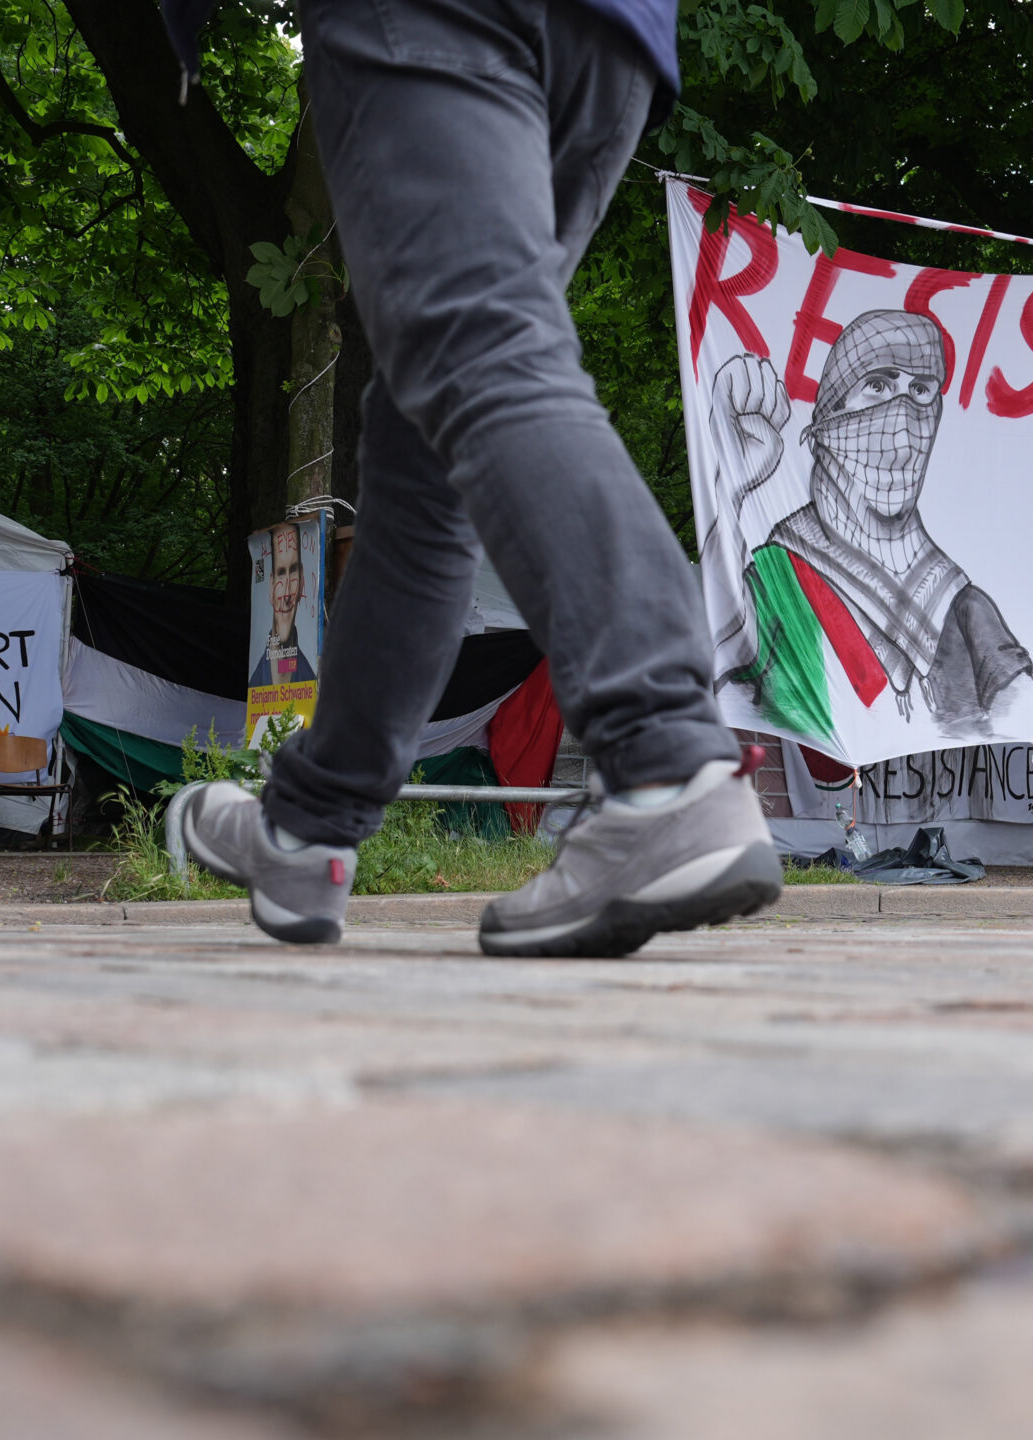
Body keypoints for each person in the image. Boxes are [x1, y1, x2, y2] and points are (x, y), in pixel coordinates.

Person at [162, 0, 781, 953]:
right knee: (427, 449)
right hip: (611, 40)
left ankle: (666, 760)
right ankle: (309, 823)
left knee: (483, 351)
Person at [710, 311, 1033, 734]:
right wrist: (728, 490)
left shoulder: (964, 606)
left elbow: (1031, 720)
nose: (901, 433)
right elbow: (710, 665)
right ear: (829, 422)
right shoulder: (777, 584)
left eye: (920, 391)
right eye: (877, 385)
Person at [247, 522, 316, 689]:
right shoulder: (255, 683)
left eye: (292, 571)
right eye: (280, 573)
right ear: (271, 587)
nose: (286, 593)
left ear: (301, 584)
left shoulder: (310, 679)